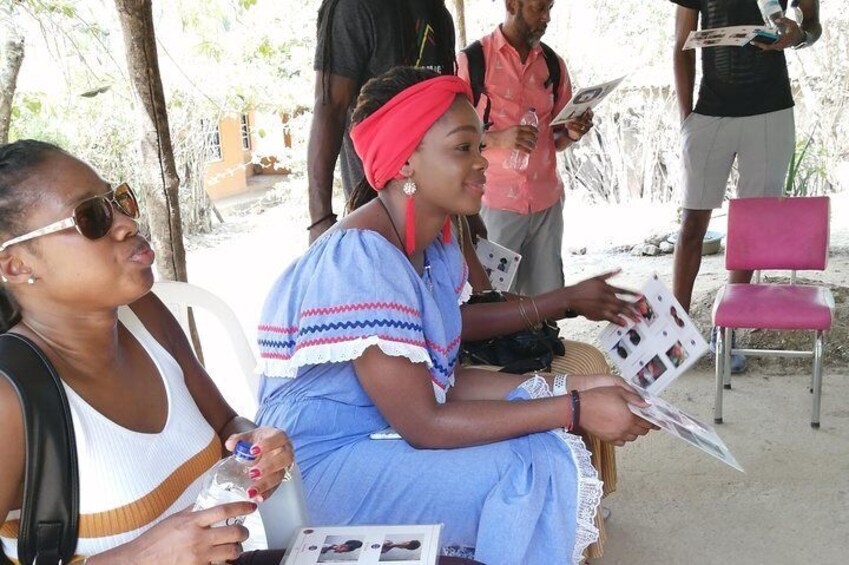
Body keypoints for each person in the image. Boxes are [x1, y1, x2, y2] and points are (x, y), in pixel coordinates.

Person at [256, 67, 653, 565]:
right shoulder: (363, 260)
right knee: (523, 467)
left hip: (376, 434)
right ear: (405, 163)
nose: (483, 162)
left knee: (542, 438)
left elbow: (443, 380)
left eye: (479, 145)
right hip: (318, 468)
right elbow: (425, 422)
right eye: (463, 148)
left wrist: (570, 391)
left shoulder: (433, 245)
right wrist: (573, 408)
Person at [0, 140, 293, 565]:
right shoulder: (11, 396)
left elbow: (227, 423)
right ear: (18, 266)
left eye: (117, 199)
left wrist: (257, 446)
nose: (126, 222)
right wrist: (139, 556)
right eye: (91, 217)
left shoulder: (144, 314)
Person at [670, 0, 822, 371]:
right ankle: (675, 335)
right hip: (709, 110)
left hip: (771, 112)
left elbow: (813, 25)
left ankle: (727, 334)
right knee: (692, 225)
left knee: (750, 233)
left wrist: (797, 34)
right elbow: (681, 43)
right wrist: (686, 117)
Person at [457, 0, 594, 296]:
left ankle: (545, 344)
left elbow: (556, 140)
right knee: (493, 300)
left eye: (550, 9)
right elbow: (453, 139)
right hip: (493, 204)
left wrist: (572, 133)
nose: (546, 18)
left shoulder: (553, 64)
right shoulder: (473, 61)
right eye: (538, 8)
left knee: (547, 302)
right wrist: (497, 139)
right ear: (512, 4)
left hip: (546, 203)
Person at [307, 0, 456, 243]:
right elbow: (330, 107)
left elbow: (447, 111)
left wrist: (464, 215)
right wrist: (320, 219)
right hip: (377, 214)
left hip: (434, 212)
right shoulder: (353, 7)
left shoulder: (438, 12)